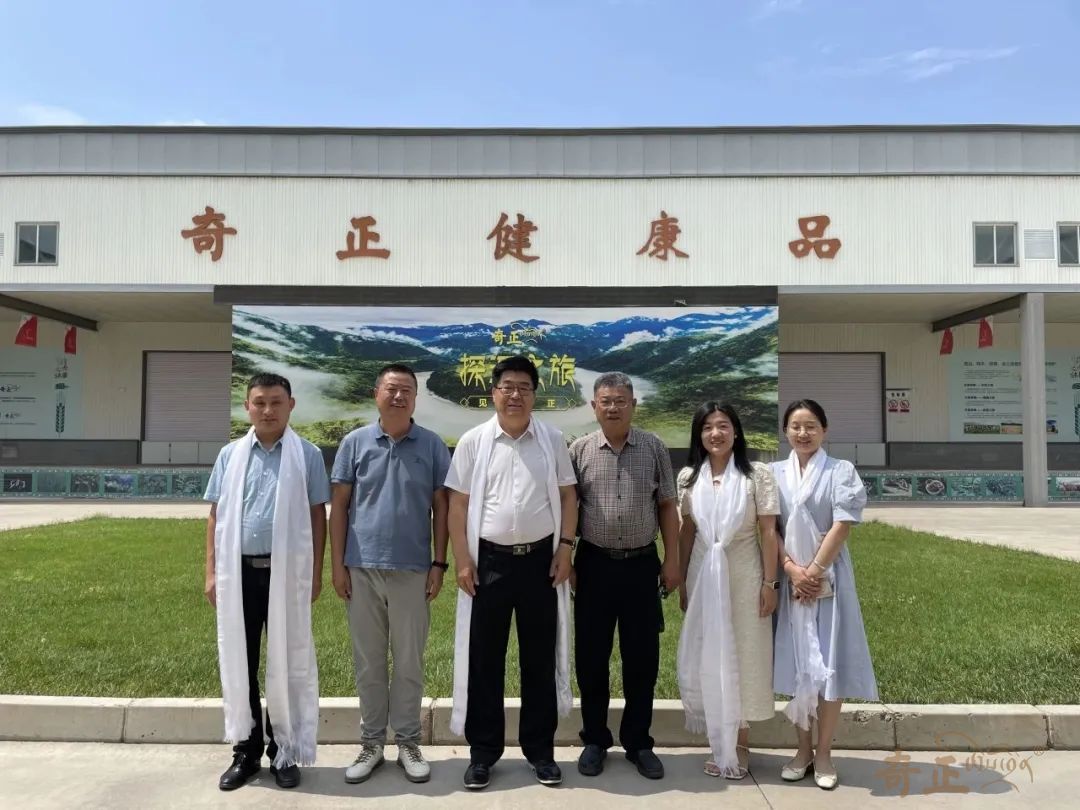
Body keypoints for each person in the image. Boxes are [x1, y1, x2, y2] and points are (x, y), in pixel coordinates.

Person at [445, 354, 578, 790]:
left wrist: (565, 548)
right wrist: (463, 560)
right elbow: (458, 504)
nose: (515, 394)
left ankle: (540, 752)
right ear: (494, 393)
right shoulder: (474, 441)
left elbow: (568, 496)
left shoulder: (551, 439)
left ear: (535, 394)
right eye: (508, 387)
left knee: (539, 659)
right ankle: (483, 753)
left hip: (541, 562)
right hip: (490, 564)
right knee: (485, 660)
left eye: (524, 387)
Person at [204, 373, 329, 791]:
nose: (268, 410)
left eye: (276, 402)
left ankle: (283, 751)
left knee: (286, 662)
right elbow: (216, 516)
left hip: (285, 574)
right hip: (238, 572)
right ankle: (246, 751)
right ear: (247, 407)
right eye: (259, 402)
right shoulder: (230, 455)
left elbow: (317, 516)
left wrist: (314, 572)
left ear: (291, 405)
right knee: (242, 660)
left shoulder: (307, 455)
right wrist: (211, 572)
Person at [329, 364, 451, 785]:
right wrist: (338, 565)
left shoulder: (431, 445)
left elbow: (442, 508)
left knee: (409, 662)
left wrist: (439, 563)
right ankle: (372, 743)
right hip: (362, 569)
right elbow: (339, 506)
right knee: (369, 662)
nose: (399, 397)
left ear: (416, 398)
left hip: (413, 571)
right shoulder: (355, 443)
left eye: (407, 391)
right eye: (392, 389)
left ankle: (409, 742)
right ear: (376, 394)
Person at [569, 371, 680, 780]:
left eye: (620, 400)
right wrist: (568, 560)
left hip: (641, 566)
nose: (613, 407)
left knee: (642, 659)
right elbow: (568, 508)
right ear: (593, 406)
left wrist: (672, 561)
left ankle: (638, 742)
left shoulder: (653, 447)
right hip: (593, 565)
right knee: (591, 658)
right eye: (606, 401)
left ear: (633, 404)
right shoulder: (579, 450)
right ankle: (595, 740)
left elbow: (667, 504)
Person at [772, 399, 878, 791]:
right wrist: (791, 569)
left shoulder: (840, 471)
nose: (803, 433)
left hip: (828, 576)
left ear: (825, 430)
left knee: (828, 661)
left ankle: (825, 752)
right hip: (790, 579)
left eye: (811, 426)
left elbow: (842, 524)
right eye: (796, 426)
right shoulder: (773, 473)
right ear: (786, 431)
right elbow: (769, 529)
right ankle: (802, 750)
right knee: (799, 661)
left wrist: (813, 572)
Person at [675, 402, 779, 779]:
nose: (715, 433)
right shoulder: (689, 477)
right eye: (707, 427)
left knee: (744, 654)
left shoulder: (757, 475)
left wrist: (770, 583)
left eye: (722, 426)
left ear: (736, 431)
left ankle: (741, 743)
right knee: (709, 651)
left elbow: (768, 531)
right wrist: (682, 581)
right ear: (698, 435)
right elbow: (687, 531)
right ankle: (717, 741)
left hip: (746, 574)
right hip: (703, 575)